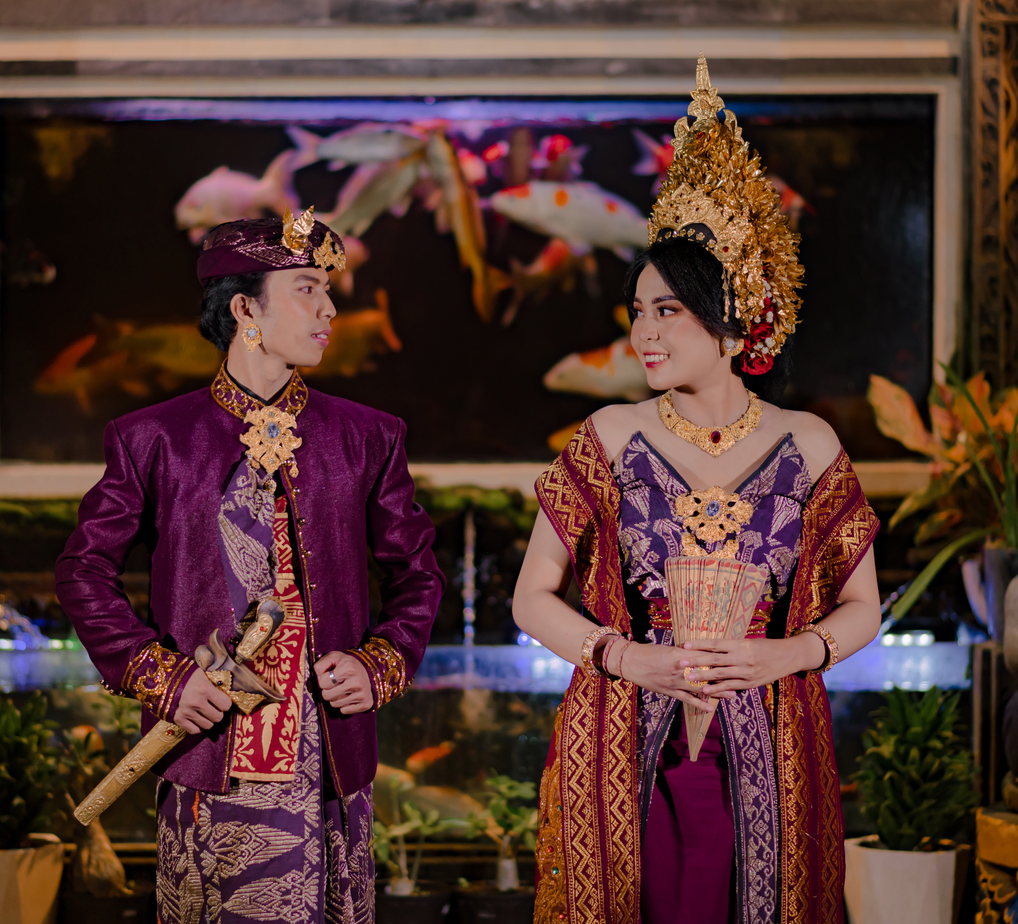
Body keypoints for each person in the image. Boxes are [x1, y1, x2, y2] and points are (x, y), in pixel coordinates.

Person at [513, 57, 882, 924]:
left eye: (667, 311)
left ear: (733, 315)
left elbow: (865, 607)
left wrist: (790, 654)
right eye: (637, 311)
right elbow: (531, 599)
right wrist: (624, 656)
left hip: (773, 737)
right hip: (625, 731)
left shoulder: (808, 444)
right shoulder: (608, 437)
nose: (643, 332)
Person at [56, 209, 445, 924]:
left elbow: (417, 573)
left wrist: (381, 663)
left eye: (328, 290)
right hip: (210, 746)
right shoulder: (152, 439)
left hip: (330, 754)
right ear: (244, 310)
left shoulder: (369, 437)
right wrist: (162, 677)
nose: (330, 310)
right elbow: (83, 572)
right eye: (306, 289)